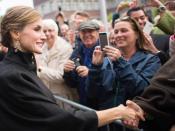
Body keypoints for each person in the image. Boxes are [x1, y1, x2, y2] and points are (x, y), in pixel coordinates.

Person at [0, 5, 139, 131]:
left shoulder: (21, 68)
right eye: (37, 29)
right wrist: (117, 112)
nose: (44, 36)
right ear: (15, 33)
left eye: (45, 30)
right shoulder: (12, 75)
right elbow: (60, 120)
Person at [86, 16, 161, 110]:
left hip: (132, 119)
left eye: (124, 30)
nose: (118, 35)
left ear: (137, 34)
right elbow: (92, 94)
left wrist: (120, 62)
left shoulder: (151, 60)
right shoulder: (107, 60)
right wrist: (95, 68)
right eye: (116, 32)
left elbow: (143, 90)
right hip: (108, 118)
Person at [124, 54, 175, 131]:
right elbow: (163, 87)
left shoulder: (151, 59)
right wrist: (143, 108)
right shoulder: (108, 60)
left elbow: (141, 86)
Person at [36, 19, 78, 110]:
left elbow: (61, 76)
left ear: (56, 31)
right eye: (44, 31)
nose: (47, 34)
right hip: (48, 96)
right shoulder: (42, 48)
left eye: (50, 30)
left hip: (64, 98)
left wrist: (40, 69)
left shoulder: (65, 48)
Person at [63, 20, 100, 105]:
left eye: (90, 31)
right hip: (84, 102)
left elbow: (110, 82)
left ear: (98, 33)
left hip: (102, 103)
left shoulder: (105, 50)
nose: (87, 34)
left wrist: (90, 73)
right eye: (83, 32)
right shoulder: (76, 52)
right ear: (79, 34)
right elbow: (72, 83)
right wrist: (67, 72)